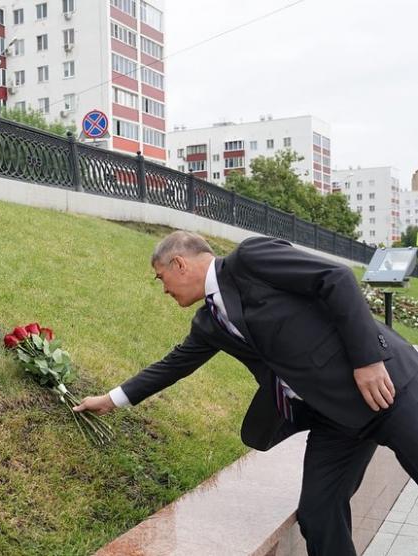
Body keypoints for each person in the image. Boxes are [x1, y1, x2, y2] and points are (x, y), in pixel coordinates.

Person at [73, 231, 418, 556]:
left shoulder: (251, 259)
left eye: (160, 277)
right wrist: (111, 399)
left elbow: (336, 278)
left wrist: (367, 359)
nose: (163, 289)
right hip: (334, 421)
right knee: (318, 514)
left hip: (386, 390)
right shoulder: (209, 323)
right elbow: (173, 365)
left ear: (179, 263)